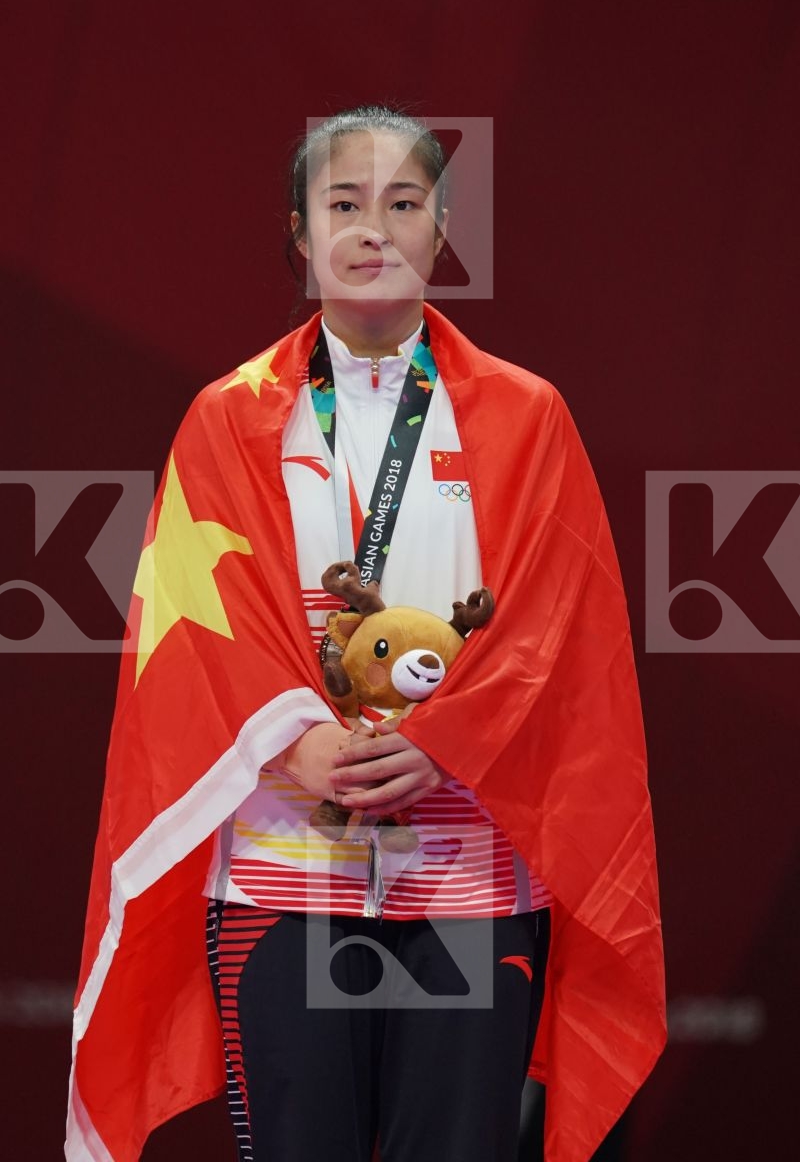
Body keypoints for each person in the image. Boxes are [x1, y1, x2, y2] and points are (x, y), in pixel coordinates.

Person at [67, 106, 666, 1162]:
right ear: (299, 234)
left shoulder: (528, 416)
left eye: (403, 204)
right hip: (282, 867)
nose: (372, 228)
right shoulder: (228, 416)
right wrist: (302, 742)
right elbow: (198, 632)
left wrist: (443, 739)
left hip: (471, 874)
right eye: (342, 203)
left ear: (441, 233)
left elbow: (560, 633)